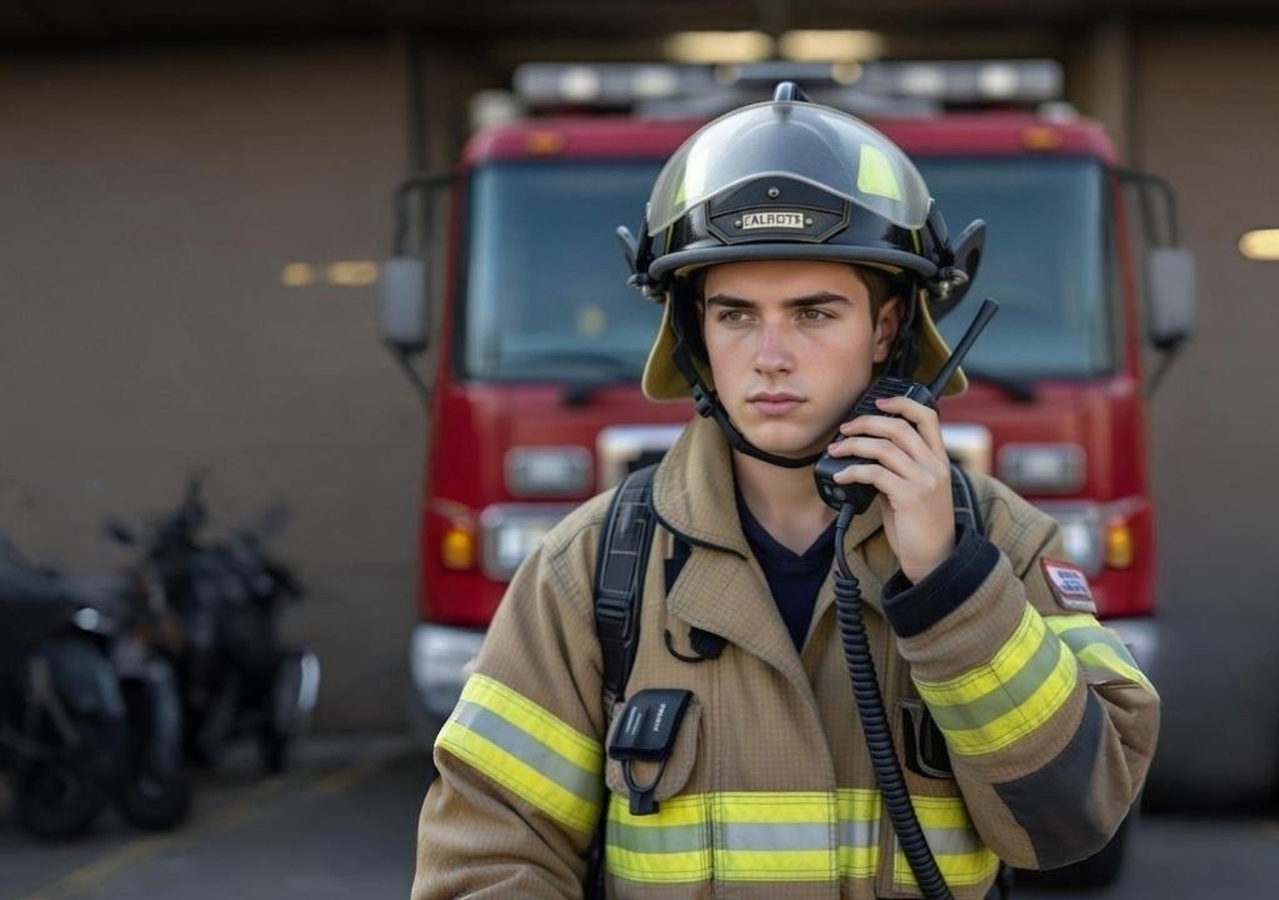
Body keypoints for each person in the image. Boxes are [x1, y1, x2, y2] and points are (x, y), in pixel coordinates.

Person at [412, 86, 1159, 900]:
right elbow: (485, 862)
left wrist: (952, 587)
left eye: (813, 313)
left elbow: (1074, 826)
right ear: (694, 331)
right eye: (736, 314)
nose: (771, 356)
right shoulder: (588, 571)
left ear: (885, 328)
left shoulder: (1006, 546)